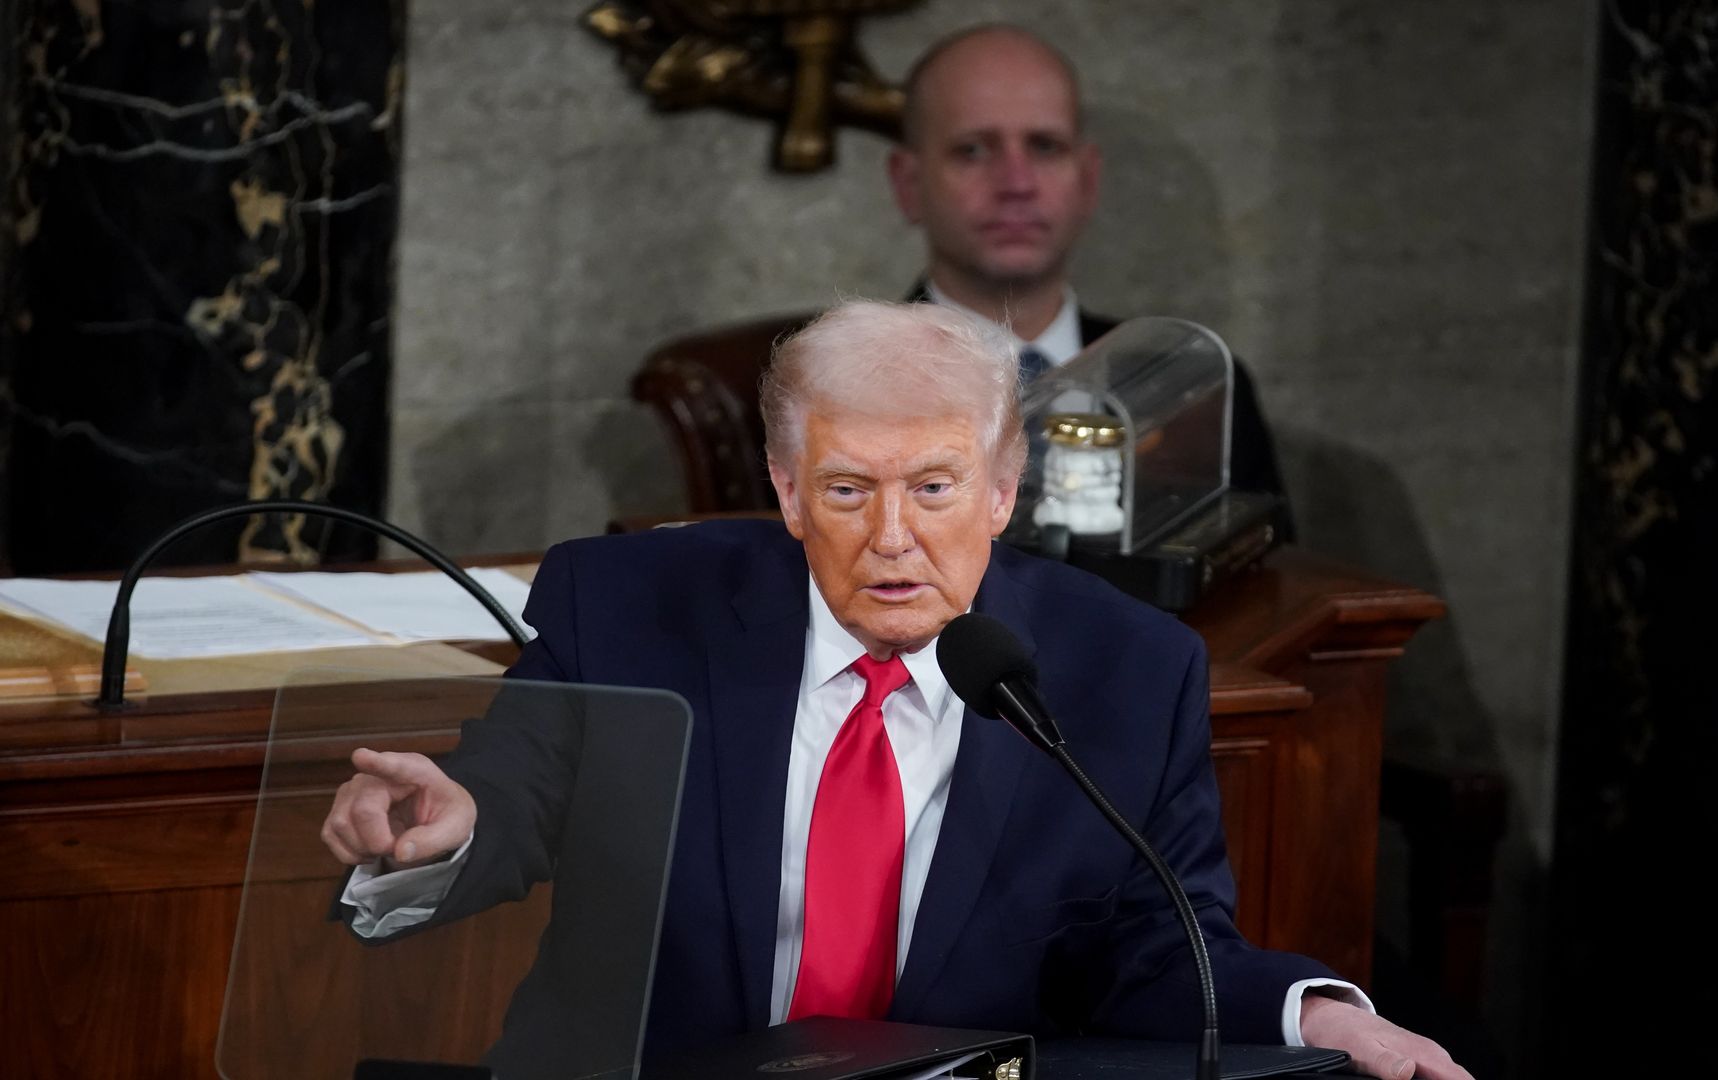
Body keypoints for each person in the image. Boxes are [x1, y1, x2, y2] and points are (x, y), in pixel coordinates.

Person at [323, 301, 1466, 1080]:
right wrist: (450, 830)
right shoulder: (630, 606)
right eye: (846, 488)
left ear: (1005, 488)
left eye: (933, 485)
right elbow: (515, 793)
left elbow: (1155, 949)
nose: (892, 538)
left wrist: (1319, 1019)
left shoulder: (1125, 670)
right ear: (783, 488)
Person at [887, 24, 1290, 520]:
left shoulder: (1195, 392)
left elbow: (1272, 586)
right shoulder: (840, 387)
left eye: (1044, 147)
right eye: (973, 149)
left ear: (1088, 180)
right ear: (908, 184)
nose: (1016, 183)